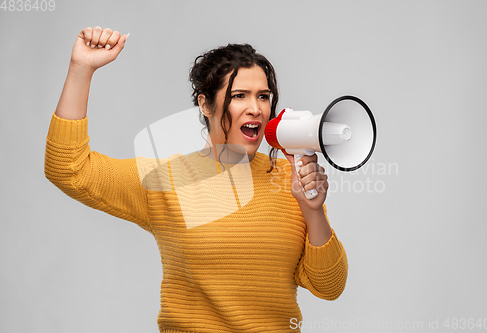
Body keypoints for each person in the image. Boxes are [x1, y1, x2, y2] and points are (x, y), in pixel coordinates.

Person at [44, 26, 348, 333]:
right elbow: (68, 167)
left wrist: (312, 209)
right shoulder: (166, 180)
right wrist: (81, 68)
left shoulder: (290, 179)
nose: (255, 108)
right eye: (239, 96)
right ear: (205, 104)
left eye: (263, 96)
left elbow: (330, 286)